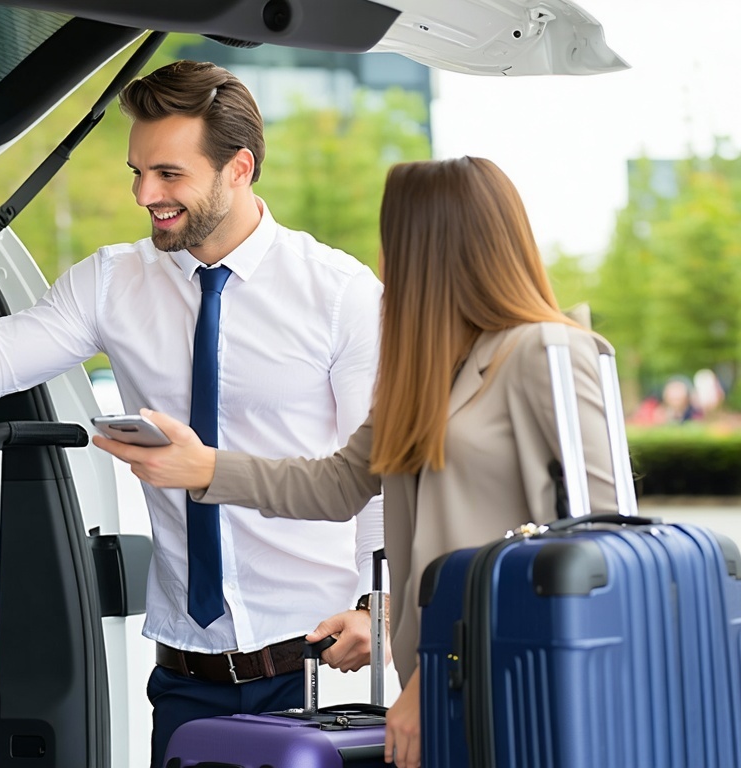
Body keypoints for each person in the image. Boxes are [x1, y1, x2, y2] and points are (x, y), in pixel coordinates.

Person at [0, 61, 386, 766]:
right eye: (138, 172)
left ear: (239, 168)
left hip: (323, 673)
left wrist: (373, 611)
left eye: (169, 174)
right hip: (185, 679)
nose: (146, 194)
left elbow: (381, 470)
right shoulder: (115, 281)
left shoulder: (341, 295)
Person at [94, 156, 619, 768]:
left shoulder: (550, 351)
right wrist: (204, 468)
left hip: (529, 685)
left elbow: (597, 552)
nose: (386, 260)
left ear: (440, 244)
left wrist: (436, 677)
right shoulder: (427, 372)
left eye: (396, 238)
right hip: (444, 691)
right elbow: (339, 482)